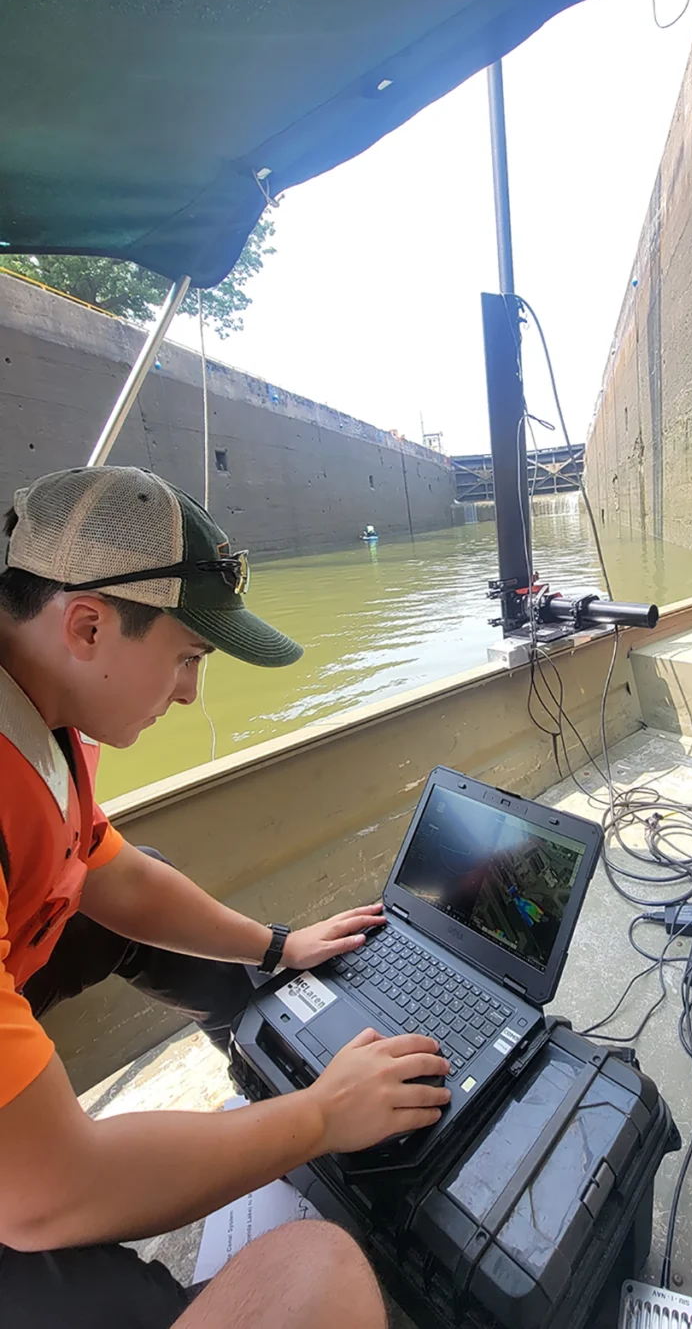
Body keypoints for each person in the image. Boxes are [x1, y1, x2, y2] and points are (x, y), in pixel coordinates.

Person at [0, 466, 450, 1328]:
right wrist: (319, 1117)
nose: (188, 693)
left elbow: (107, 870)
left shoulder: (43, 702)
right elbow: (46, 1192)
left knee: (149, 881)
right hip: (24, 1196)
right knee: (317, 1280)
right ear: (86, 625)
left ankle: (263, 1064)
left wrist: (277, 945)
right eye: (186, 658)